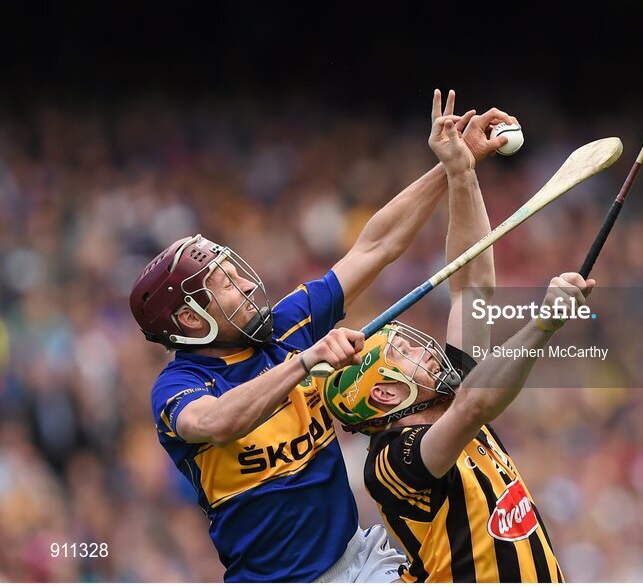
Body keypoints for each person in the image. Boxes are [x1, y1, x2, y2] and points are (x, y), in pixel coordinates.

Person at [130, 90, 517, 582]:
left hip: (361, 557)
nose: (249, 284)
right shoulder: (180, 385)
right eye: (226, 285)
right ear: (190, 321)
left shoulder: (285, 325)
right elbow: (215, 424)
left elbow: (376, 246)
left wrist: (451, 166)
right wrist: (303, 364)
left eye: (236, 271)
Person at [323, 107, 595, 582]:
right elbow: (473, 408)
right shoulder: (391, 464)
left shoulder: (452, 395)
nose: (425, 349)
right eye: (404, 355)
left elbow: (473, 288)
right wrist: (545, 323)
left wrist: (462, 171)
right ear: (385, 394)